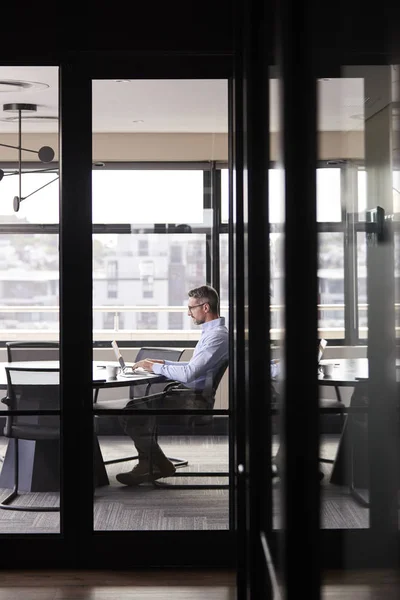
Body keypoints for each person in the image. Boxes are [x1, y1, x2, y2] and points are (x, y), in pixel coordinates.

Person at [116, 284, 229, 486]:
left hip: (193, 400)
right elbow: (194, 367)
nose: (188, 313)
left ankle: (152, 463)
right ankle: (155, 463)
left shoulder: (218, 337)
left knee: (131, 412)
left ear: (205, 307)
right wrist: (163, 364)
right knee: (133, 410)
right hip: (186, 393)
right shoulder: (211, 333)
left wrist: (156, 367)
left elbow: (190, 373)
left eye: (191, 308)